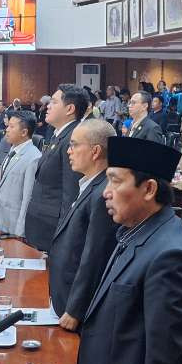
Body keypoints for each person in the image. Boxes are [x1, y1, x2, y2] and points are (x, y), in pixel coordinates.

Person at [77, 136, 182, 364]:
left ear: (148, 189)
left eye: (115, 181)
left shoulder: (169, 258)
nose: (105, 193)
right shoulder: (137, 230)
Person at [48, 119, 119, 327]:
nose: (69, 151)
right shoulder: (90, 183)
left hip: (75, 306)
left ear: (95, 151)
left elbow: (94, 256)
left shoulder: (102, 194)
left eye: (74, 145)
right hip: (63, 293)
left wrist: (75, 309)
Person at [25, 85, 87, 252]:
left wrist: (63, 237)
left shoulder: (73, 138)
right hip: (41, 223)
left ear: (70, 109)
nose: (47, 106)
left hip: (51, 229)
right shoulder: (58, 135)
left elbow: (71, 192)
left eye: (53, 102)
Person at [0, 110, 42, 236]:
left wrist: (21, 231)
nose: (6, 130)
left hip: (13, 226)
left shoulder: (33, 157)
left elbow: (27, 198)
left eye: (11, 127)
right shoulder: (13, 150)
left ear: (24, 132)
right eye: (7, 125)